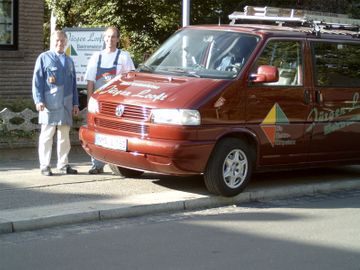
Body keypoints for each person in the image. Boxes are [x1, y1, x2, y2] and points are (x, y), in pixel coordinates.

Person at [84, 26, 135, 174]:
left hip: (118, 105)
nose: (109, 40)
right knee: (97, 133)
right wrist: (89, 103)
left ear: (118, 39)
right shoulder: (96, 57)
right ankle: (96, 165)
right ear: (104, 38)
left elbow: (130, 80)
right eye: (107, 37)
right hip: (99, 104)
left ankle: (116, 164)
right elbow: (90, 82)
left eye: (113, 37)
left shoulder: (124, 57)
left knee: (116, 135)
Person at [32, 30, 79, 176]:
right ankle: (44, 165)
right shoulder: (43, 58)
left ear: (66, 43)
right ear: (51, 42)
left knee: (64, 137)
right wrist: (38, 100)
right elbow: (37, 81)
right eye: (57, 41)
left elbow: (73, 84)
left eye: (63, 41)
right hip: (49, 103)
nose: (60, 43)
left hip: (66, 104)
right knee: (47, 136)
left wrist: (76, 104)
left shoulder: (70, 61)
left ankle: (63, 165)